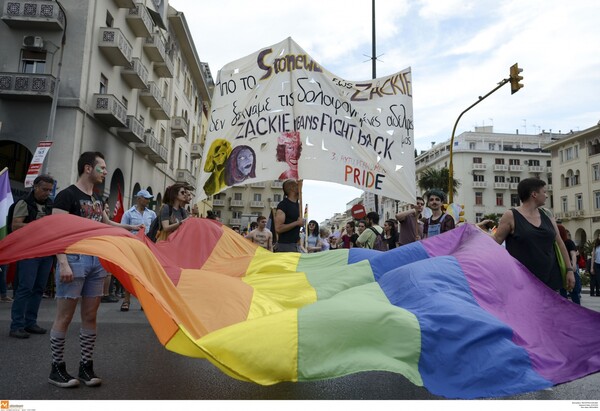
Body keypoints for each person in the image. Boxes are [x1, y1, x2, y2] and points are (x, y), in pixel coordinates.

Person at [50, 151, 142, 388]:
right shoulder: (66, 196)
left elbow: (106, 224)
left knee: (90, 316)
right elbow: (56, 233)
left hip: (95, 261)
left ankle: (85, 366)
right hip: (73, 259)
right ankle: (56, 368)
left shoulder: (98, 198)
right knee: (65, 316)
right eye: (102, 168)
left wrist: (131, 227)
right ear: (88, 169)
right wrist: (62, 263)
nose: (105, 172)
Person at [478, 178, 575, 292]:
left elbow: (560, 243)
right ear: (534, 194)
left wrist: (569, 270)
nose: (547, 195)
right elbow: (496, 239)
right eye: (544, 192)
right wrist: (475, 230)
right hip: (522, 282)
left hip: (550, 280)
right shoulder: (511, 215)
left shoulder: (547, 214)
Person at [9, 174, 55, 339]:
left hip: (46, 251)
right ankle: (17, 325)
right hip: (29, 251)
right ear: (35, 187)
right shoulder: (24, 202)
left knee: (38, 289)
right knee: (25, 288)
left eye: (50, 190)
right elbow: (15, 226)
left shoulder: (50, 204)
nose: (47, 193)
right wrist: (38, 225)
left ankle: (30, 322)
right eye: (44, 189)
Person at [119, 190, 157, 312]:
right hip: (132, 246)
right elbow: (122, 229)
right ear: (139, 199)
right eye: (146, 198)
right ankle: (126, 300)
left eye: (149, 198)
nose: (148, 201)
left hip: (146, 248)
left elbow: (155, 230)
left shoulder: (151, 214)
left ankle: (144, 302)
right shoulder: (128, 213)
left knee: (146, 275)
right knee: (130, 273)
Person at [274, 179, 304, 252]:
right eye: (297, 186)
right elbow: (278, 228)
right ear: (292, 188)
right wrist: (297, 223)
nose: (300, 188)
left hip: (295, 245)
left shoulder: (298, 205)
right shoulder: (283, 205)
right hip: (285, 246)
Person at [557, 225, 581, 304]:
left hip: (566, 268)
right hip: (565, 268)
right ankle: (576, 308)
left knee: (566, 290)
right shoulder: (558, 243)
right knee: (571, 291)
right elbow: (573, 254)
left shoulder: (567, 242)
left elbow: (573, 254)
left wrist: (573, 265)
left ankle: (569, 309)